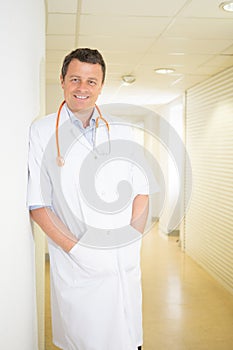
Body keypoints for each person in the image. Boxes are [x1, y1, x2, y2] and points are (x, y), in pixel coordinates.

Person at [27, 48, 152, 350]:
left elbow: (141, 190)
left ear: (101, 85)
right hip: (78, 263)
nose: (82, 88)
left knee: (129, 338)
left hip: (123, 256)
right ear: (62, 81)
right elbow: (38, 204)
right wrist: (80, 251)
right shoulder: (44, 131)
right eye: (75, 79)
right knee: (88, 340)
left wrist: (132, 237)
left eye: (91, 81)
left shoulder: (121, 129)